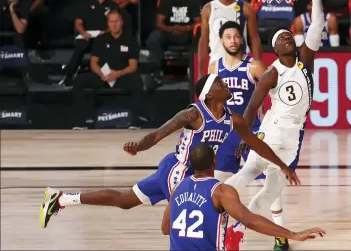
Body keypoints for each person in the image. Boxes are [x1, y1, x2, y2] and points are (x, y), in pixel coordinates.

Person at [39, 74, 300, 229]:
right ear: (209, 94)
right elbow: (159, 133)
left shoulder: (234, 119)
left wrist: (283, 165)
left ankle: (61, 199)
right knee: (177, 226)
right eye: (220, 82)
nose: (226, 84)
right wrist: (138, 147)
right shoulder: (193, 113)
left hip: (191, 173)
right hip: (179, 172)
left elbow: (257, 144)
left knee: (124, 201)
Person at [224, 0, 325, 251]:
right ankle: (223, 208)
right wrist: (245, 137)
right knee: (257, 177)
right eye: (281, 38)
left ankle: (231, 225)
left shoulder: (305, 58)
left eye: (288, 35)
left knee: (265, 185)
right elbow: (251, 107)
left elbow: (316, 26)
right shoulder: (271, 73)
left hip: (289, 135)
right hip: (275, 130)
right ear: (275, 49)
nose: (287, 38)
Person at [162, 143, 326, 250]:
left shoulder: (177, 187)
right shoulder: (220, 191)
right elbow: (250, 220)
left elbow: (165, 228)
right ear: (214, 162)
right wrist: (293, 234)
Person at [208, 20, 266, 181]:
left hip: (251, 128)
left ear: (242, 39)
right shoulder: (215, 67)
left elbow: (275, 95)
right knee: (219, 179)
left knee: (263, 180)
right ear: (221, 40)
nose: (232, 40)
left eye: (236, 36)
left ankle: (275, 207)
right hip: (226, 130)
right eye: (228, 37)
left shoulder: (255, 65)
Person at [71, 9, 147, 130]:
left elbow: (133, 66)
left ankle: (135, 121)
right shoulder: (101, 40)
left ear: (121, 22)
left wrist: (118, 73)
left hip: (121, 76)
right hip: (103, 76)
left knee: (136, 81)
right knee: (79, 81)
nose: (114, 24)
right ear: (108, 23)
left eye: (116, 21)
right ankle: (81, 122)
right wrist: (101, 74)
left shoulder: (130, 40)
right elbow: (93, 63)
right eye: (111, 22)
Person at [58, 0, 132, 87]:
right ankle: (69, 76)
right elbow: (78, 23)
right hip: (88, 36)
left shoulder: (112, 5)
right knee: (81, 45)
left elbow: (116, 23)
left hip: (106, 37)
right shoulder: (84, 3)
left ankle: (112, 79)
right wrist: (83, 33)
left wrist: (106, 32)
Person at [198, 0, 262, 79]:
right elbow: (203, 40)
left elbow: (255, 38)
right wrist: (200, 72)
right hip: (216, 63)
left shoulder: (245, 7)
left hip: (241, 63)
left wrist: (258, 66)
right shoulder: (208, 9)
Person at [146, 0, 201, 83]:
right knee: (154, 38)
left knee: (200, 35)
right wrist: (172, 29)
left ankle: (195, 70)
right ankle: (157, 72)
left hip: (187, 33)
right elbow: (159, 22)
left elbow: (198, 23)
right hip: (169, 33)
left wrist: (185, 28)